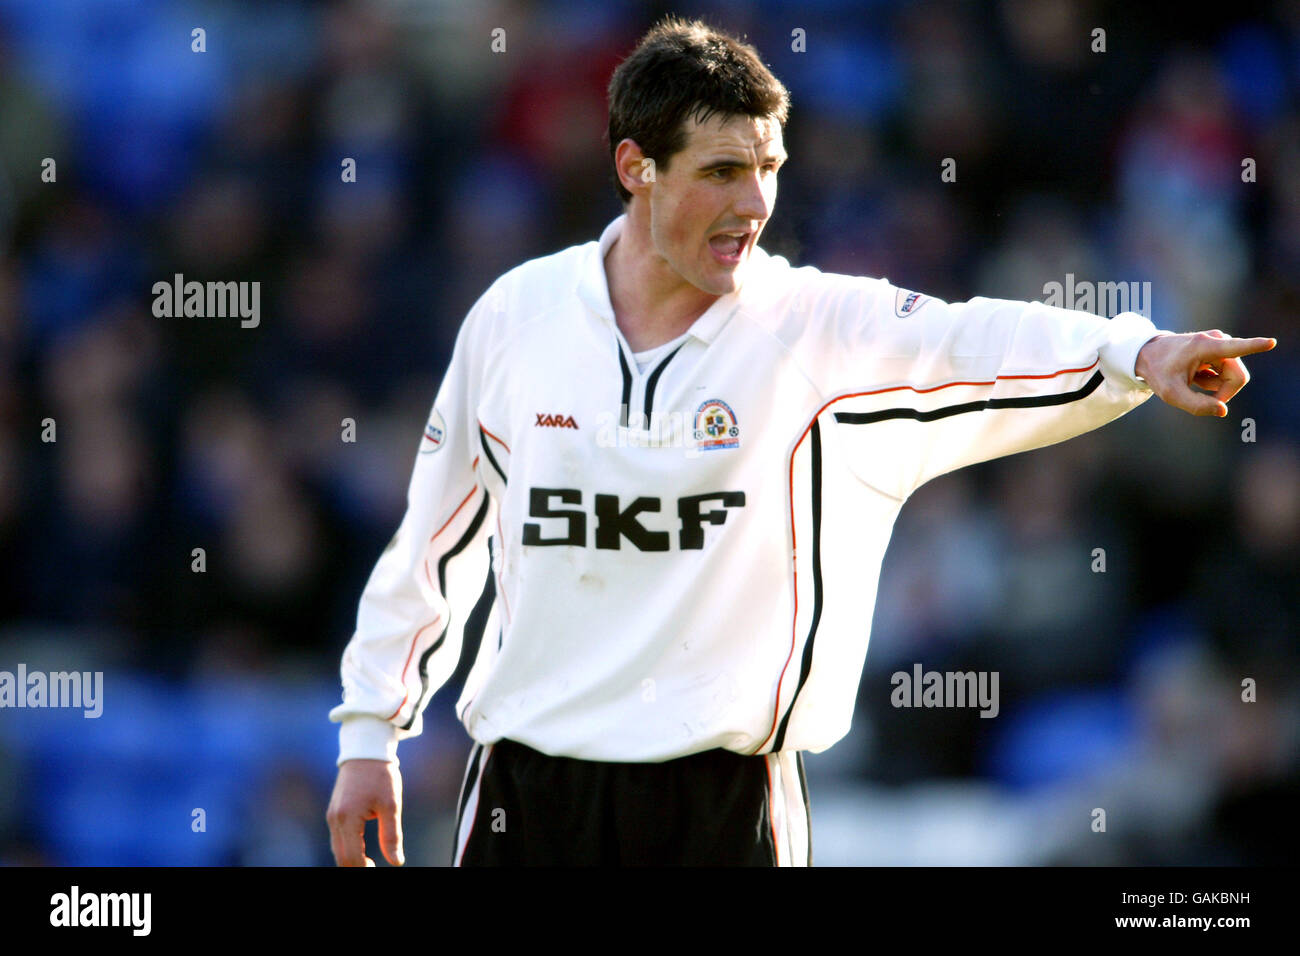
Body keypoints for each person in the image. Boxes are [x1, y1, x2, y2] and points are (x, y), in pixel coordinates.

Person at [325, 16, 1276, 867]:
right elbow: (435, 542)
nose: (753, 203)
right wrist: (371, 733)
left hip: (724, 803)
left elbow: (974, 335)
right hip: (526, 795)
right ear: (634, 169)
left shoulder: (816, 330)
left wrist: (1137, 350)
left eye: (770, 168)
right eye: (721, 171)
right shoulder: (516, 317)